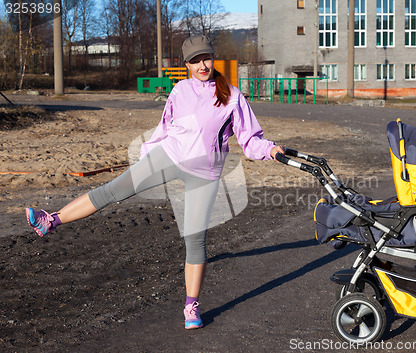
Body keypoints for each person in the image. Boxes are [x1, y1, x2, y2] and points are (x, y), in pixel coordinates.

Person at [25, 35, 284, 330]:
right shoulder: (180, 90)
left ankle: (191, 306)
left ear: (213, 58)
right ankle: (51, 220)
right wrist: (146, 158)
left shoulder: (232, 96)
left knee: (195, 240)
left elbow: (251, 139)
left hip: (204, 174)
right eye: (195, 60)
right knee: (113, 191)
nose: (202, 65)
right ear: (186, 64)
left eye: (206, 58)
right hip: (167, 157)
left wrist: (271, 150)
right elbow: (165, 127)